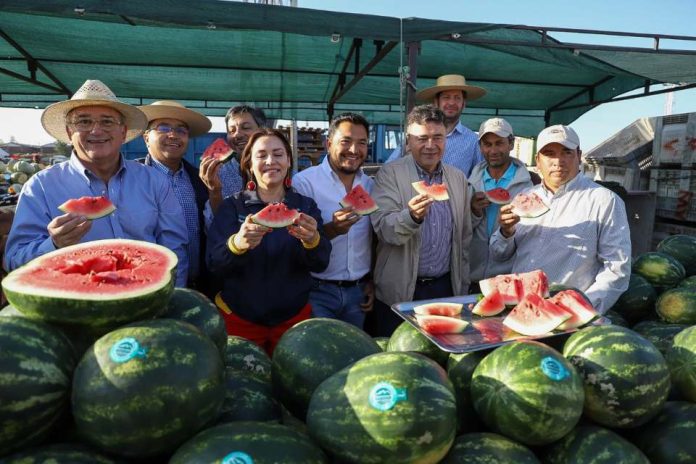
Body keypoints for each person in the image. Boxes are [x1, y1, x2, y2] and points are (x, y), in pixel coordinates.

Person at [4, 80, 189, 286]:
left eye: (107, 121)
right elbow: (14, 260)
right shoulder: (40, 187)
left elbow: (175, 249)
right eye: (83, 122)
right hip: (76, 305)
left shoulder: (155, 181)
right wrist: (54, 244)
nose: (96, 130)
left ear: (123, 131)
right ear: (68, 132)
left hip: (149, 298)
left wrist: (172, 296)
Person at [207, 128, 331, 354]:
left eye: (278, 154)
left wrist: (313, 240)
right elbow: (214, 264)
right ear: (249, 165)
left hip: (293, 319)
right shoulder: (232, 207)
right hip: (240, 319)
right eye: (261, 155)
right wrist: (236, 244)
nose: (270, 161)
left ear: (288, 161)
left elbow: (321, 263)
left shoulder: (305, 206)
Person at [491, 124, 631, 313]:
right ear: (537, 160)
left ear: (579, 156)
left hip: (569, 312)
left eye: (566, 152)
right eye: (549, 153)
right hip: (520, 306)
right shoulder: (524, 196)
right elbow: (499, 255)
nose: (558, 161)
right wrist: (505, 232)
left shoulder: (605, 200)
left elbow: (617, 268)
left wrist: (583, 307)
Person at [370, 105, 472, 336]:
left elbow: (464, 237)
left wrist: (462, 283)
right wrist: (412, 216)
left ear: (446, 140)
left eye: (437, 137)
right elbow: (384, 229)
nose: (430, 145)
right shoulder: (389, 174)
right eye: (421, 138)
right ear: (408, 142)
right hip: (402, 290)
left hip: (446, 288)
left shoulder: (457, 178)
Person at [293, 113, 374, 328]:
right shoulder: (304, 182)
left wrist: (372, 281)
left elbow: (374, 239)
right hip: (317, 291)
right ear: (329, 144)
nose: (354, 150)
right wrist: (333, 229)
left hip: (359, 293)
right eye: (345, 141)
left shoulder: (371, 186)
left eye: (362, 143)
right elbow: (298, 240)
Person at [139, 100, 213, 292]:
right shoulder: (129, 179)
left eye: (181, 130)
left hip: (199, 286)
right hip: (149, 287)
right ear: (146, 137)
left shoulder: (200, 179)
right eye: (163, 128)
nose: (173, 135)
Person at [468, 118, 535, 284]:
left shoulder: (531, 183)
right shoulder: (469, 183)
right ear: (480, 147)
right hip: (472, 277)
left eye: (499, 143)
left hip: (509, 278)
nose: (493, 150)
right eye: (487, 144)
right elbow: (461, 230)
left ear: (511, 144)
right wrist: (474, 211)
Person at [386, 74, 486, 177]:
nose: (451, 102)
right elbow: (388, 168)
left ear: (464, 104)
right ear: (436, 102)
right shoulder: (416, 135)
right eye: (446, 97)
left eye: (457, 98)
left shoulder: (473, 141)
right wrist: (406, 157)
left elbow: (480, 178)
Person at [199, 105, 268, 214]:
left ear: (263, 131)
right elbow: (212, 223)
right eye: (231, 131)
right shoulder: (218, 173)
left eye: (245, 128)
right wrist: (214, 192)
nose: (237, 135)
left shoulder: (279, 170)